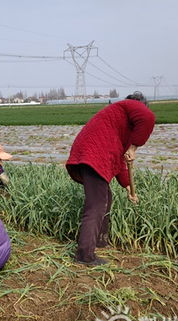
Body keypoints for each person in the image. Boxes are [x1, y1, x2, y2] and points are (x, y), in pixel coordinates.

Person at [66, 91, 156, 266]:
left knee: (106, 198)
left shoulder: (120, 122)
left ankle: (100, 240)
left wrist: (127, 186)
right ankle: (85, 255)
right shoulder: (129, 105)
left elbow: (119, 160)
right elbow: (148, 117)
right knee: (97, 205)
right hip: (93, 157)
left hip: (91, 157)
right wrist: (135, 148)